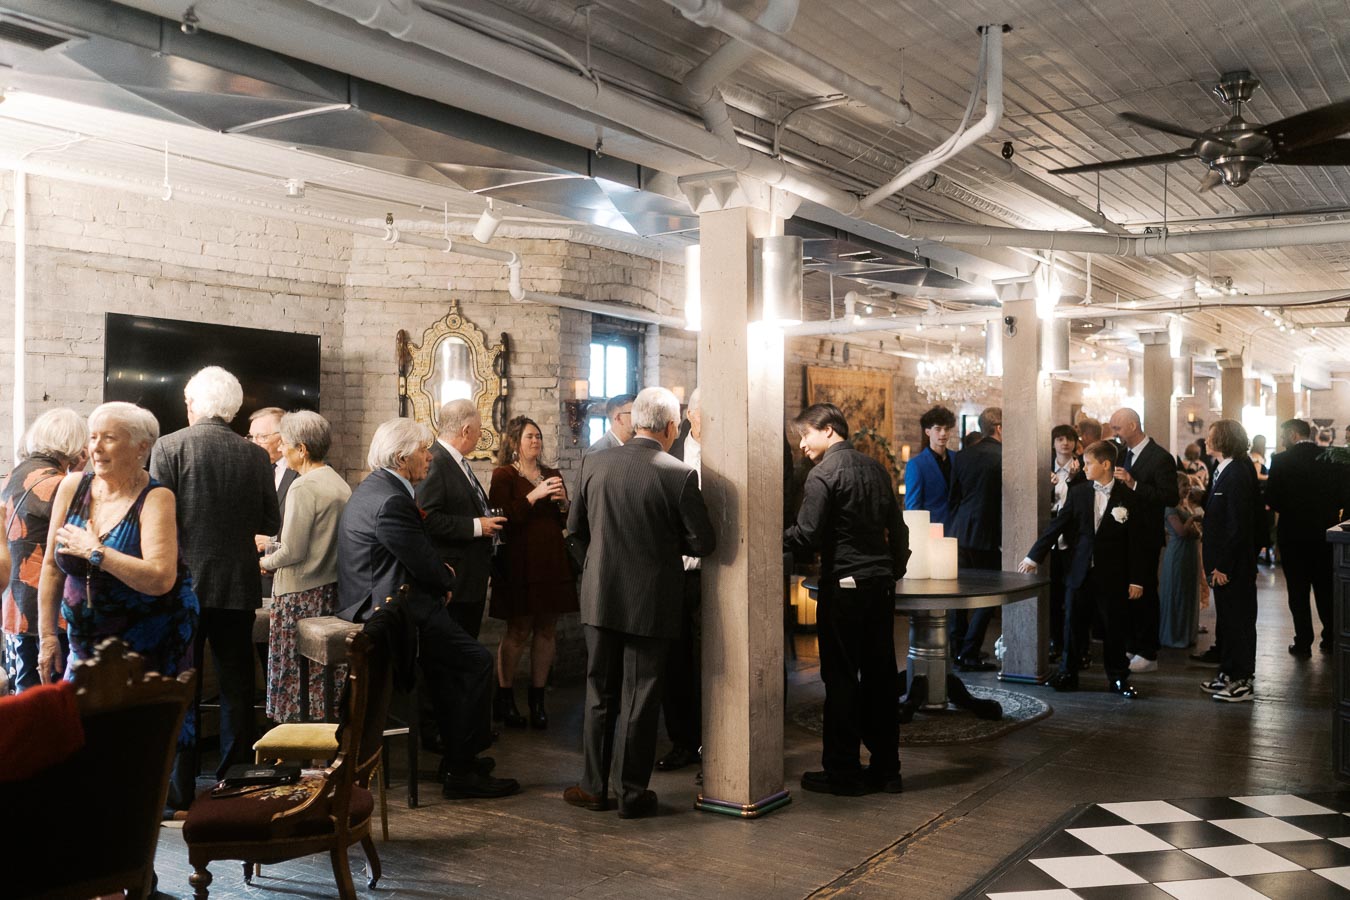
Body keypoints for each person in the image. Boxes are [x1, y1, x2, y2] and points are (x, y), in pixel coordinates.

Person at [337, 417, 519, 799]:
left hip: (394, 601)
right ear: (403, 457)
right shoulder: (390, 499)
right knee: (476, 662)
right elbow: (422, 561)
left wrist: (438, 580)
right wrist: (445, 581)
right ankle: (461, 770)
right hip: (388, 613)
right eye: (423, 451)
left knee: (452, 667)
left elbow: (409, 557)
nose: (429, 458)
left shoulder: (379, 488)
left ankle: (459, 756)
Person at [564, 387, 715, 819]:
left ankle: (594, 788)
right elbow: (704, 541)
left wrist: (592, 567)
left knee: (599, 693)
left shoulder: (595, 463)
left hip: (600, 596)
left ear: (635, 423)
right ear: (671, 427)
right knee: (640, 697)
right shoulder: (678, 473)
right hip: (652, 600)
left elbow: (575, 532)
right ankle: (630, 793)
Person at [151, 366, 279, 812]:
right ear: (233, 408)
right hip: (238, 585)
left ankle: (177, 794)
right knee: (237, 687)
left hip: (181, 585)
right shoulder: (257, 457)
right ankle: (233, 783)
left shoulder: (168, 448)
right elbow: (270, 522)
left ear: (193, 406)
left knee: (183, 686)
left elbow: (157, 522)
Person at [784, 403, 908, 795]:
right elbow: (899, 530)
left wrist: (767, 539)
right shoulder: (875, 468)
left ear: (828, 430)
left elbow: (806, 534)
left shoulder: (824, 473)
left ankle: (842, 771)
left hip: (845, 587)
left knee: (840, 679)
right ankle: (887, 769)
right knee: (880, 677)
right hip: (879, 586)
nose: (802, 444)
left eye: (805, 434)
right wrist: (892, 571)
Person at [37, 402, 199, 696]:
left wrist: (96, 553)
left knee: (135, 735)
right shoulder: (73, 486)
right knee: (79, 733)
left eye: (109, 438)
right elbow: (50, 567)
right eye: (93, 436)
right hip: (83, 646)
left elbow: (161, 579)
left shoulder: (157, 498)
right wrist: (47, 636)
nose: (96, 448)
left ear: (141, 448)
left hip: (147, 649)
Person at [1019, 440, 1146, 698]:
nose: (1083, 467)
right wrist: (1034, 557)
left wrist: (1136, 580)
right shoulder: (1078, 493)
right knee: (1072, 623)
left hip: (1113, 574)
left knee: (1114, 627)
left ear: (1106, 464)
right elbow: (1057, 526)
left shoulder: (1129, 498)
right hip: (1080, 571)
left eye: (1089, 463)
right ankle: (1068, 673)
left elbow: (1136, 544)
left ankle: (1118, 678)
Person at [259, 411, 351, 723]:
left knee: (293, 677)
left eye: (284, 444)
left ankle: (292, 746)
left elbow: (293, 551)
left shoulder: (302, 486)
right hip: (328, 591)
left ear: (302, 449)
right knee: (319, 678)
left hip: (298, 596)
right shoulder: (338, 482)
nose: (280, 450)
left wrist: (264, 561)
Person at [488, 415, 577, 730]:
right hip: (520, 562)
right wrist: (532, 496)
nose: (536, 441)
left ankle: (538, 699)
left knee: (547, 629)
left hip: (551, 560)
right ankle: (505, 696)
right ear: (515, 441)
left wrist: (564, 503)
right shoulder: (504, 476)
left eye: (538, 436)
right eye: (529, 436)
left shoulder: (552, 474)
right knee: (518, 630)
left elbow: (565, 521)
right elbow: (502, 518)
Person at [2, 409, 86, 694]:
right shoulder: (61, 484)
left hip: (13, 607)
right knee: (52, 702)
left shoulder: (11, 478)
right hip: (48, 611)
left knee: (23, 699)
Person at [416, 399, 506, 641]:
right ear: (466, 430)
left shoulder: (456, 461)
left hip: (469, 580)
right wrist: (478, 526)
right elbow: (427, 518)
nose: (479, 435)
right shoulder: (436, 461)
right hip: (455, 581)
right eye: (478, 429)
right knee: (454, 657)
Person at [1107, 407, 1180, 674]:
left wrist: (1134, 484)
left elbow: (1170, 497)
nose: (1114, 434)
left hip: (1146, 534)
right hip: (1123, 534)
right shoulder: (1122, 454)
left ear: (1133, 426)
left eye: (1117, 428)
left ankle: (1148, 651)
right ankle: (1131, 643)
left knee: (1145, 591)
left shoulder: (1160, 458)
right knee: (1127, 592)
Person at [1266, 418, 1346, 657]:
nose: (1280, 441)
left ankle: (1303, 642)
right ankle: (1330, 638)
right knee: (1325, 588)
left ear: (1292, 434)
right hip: (1324, 534)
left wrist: (1292, 508)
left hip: (1293, 535)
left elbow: (1271, 499)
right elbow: (1343, 495)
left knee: (1297, 591)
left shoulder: (1280, 461)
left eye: (1282, 436)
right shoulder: (1331, 457)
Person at [657, 388, 705, 773]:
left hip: (717, 576)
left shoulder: (733, 452)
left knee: (713, 664)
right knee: (674, 663)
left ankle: (716, 743)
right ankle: (682, 742)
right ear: (692, 415)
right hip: (675, 575)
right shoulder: (666, 457)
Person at [1200, 419, 1261, 703]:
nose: (1205, 440)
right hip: (1222, 563)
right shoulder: (1223, 468)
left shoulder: (1237, 472)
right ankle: (1227, 671)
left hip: (1232, 566)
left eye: (1210, 436)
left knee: (1239, 622)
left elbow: (1238, 525)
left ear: (1223, 439)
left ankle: (1242, 680)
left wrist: (1223, 565)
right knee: (1226, 621)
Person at [947, 407, 1003, 670]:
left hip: (959, 530)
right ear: (1000, 427)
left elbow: (953, 498)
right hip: (988, 533)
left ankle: (957, 648)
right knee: (990, 595)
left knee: (958, 594)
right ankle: (968, 653)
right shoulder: (1004, 456)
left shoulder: (962, 456)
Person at [250, 407, 298, 600]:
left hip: (286, 574)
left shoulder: (301, 471)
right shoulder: (248, 467)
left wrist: (272, 542)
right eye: (251, 437)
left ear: (281, 438)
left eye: (261, 437)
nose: (254, 443)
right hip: (252, 571)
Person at [1047, 424, 1084, 662]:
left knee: (1074, 594)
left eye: (1069, 439)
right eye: (1060, 439)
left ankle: (1076, 646)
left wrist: (1072, 479)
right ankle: (1054, 642)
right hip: (1051, 538)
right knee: (1052, 594)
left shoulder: (1081, 467)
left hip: (1074, 537)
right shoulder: (1045, 467)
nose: (1065, 443)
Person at [1159, 472, 1203, 649]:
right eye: (1183, 485)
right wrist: (1193, 519)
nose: (1187, 489)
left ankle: (1186, 633)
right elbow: (1182, 532)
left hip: (1190, 553)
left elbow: (1194, 532)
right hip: (1178, 553)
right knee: (1177, 591)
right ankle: (1174, 635)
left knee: (1188, 592)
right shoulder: (1170, 508)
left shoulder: (1183, 506)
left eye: (1188, 485)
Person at [904, 405, 957, 534]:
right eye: (938, 429)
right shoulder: (916, 465)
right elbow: (913, 507)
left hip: (957, 529)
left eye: (946, 429)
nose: (943, 433)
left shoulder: (957, 459)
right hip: (931, 530)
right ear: (928, 432)